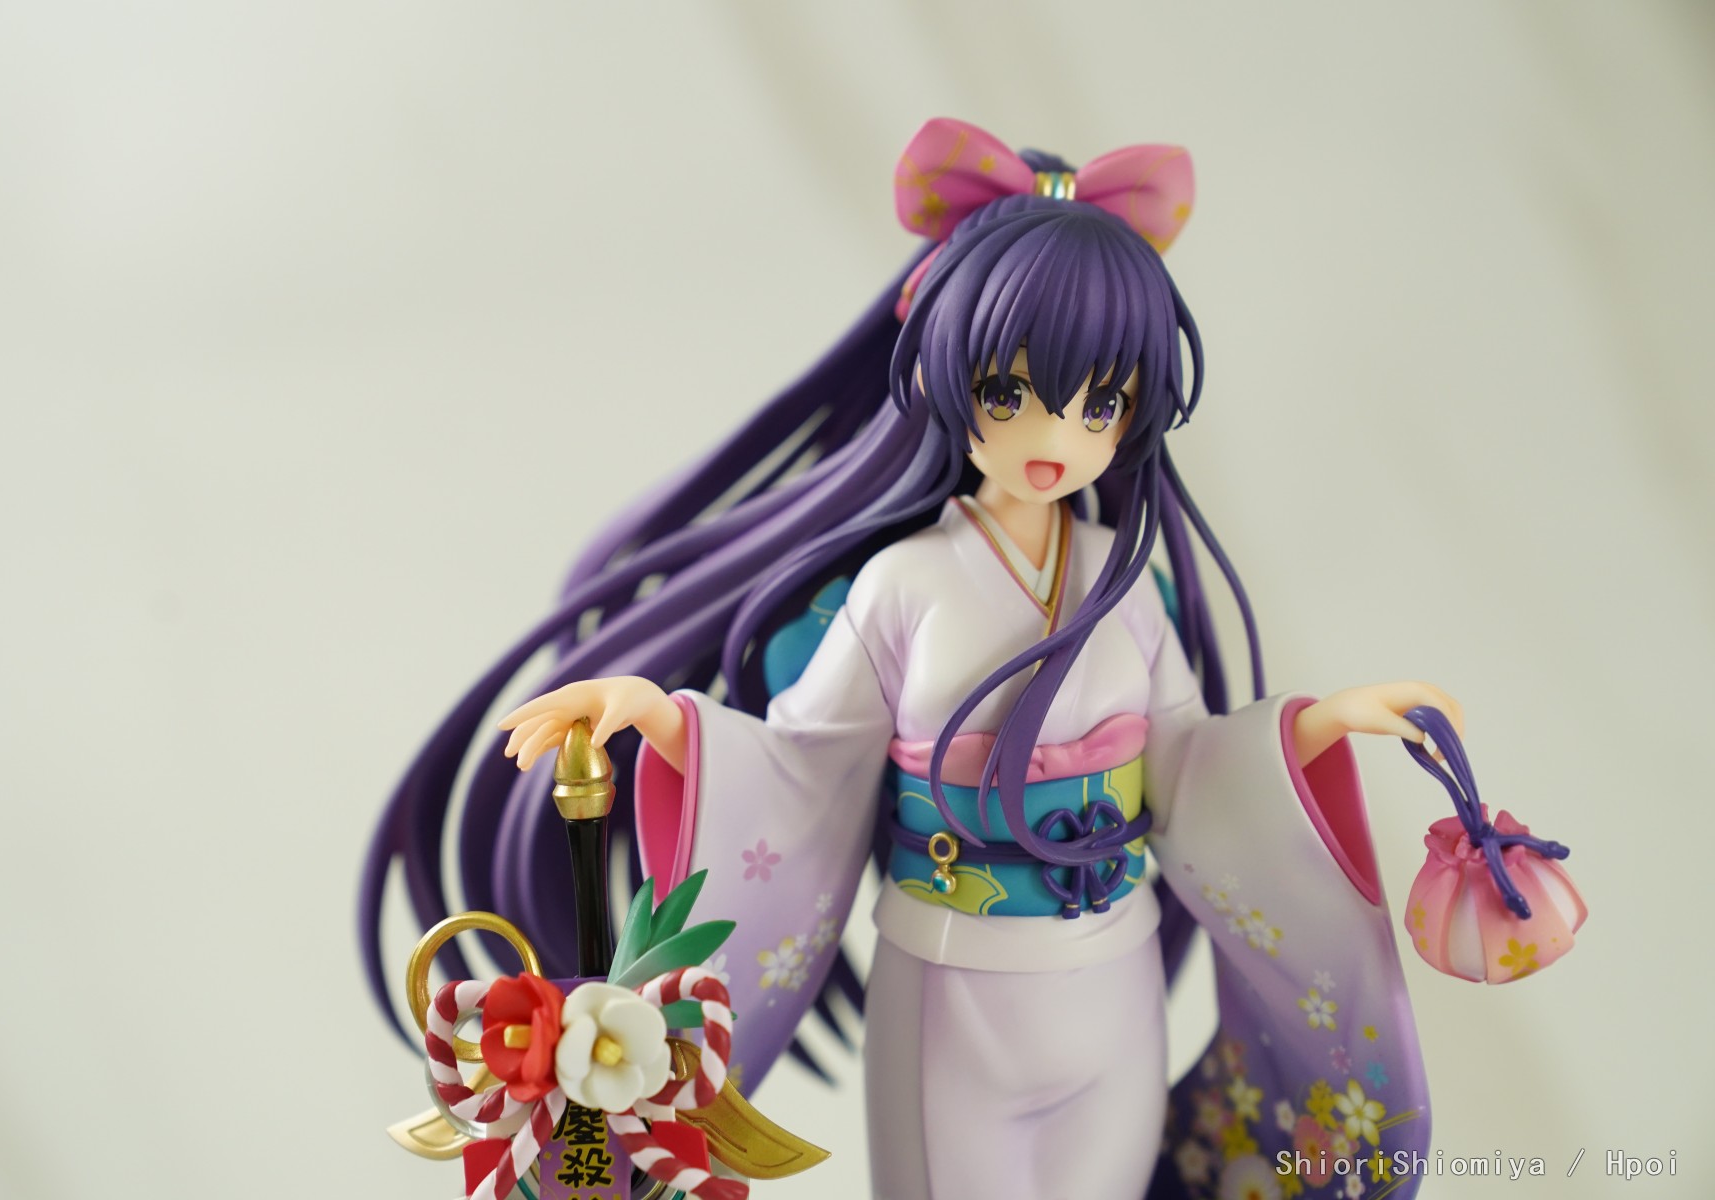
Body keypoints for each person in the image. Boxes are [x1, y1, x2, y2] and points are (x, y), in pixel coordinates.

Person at [363, 118, 1455, 1199]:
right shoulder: (904, 585)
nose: (1054, 437)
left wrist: (1310, 733)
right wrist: (662, 719)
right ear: (944, 376)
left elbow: (1184, 767)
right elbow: (805, 765)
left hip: (1110, 988)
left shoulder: (1125, 579)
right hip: (950, 989)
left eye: (1100, 404)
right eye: (1009, 393)